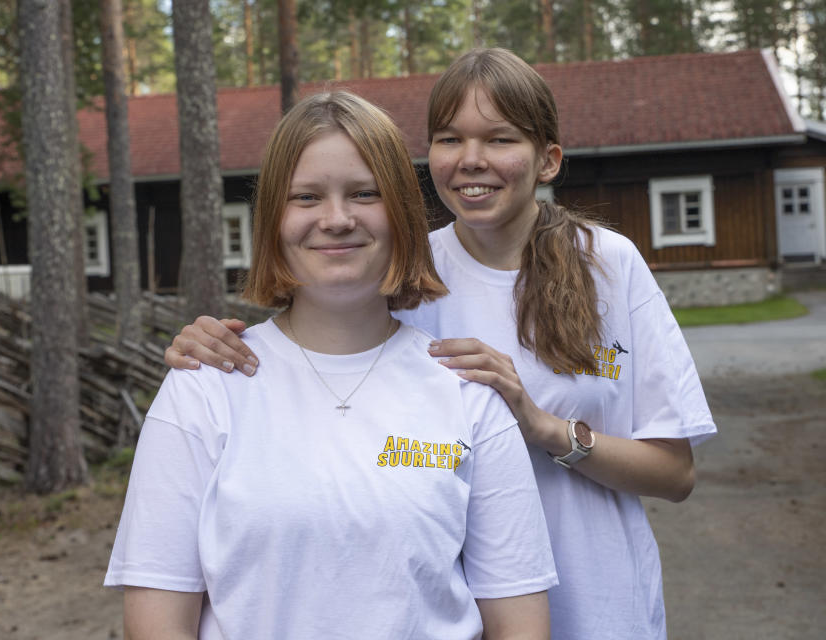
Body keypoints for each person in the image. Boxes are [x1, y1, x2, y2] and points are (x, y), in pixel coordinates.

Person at [164, 49, 717, 639]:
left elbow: (674, 473)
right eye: (451, 139)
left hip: (602, 604)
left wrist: (545, 427)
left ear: (548, 160)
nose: (472, 160)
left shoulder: (608, 264)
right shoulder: (406, 273)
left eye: (500, 139)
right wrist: (206, 345)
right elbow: (313, 354)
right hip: (465, 611)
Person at [106, 90, 557, 640]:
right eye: (307, 197)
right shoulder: (205, 389)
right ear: (273, 217)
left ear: (401, 214)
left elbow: (521, 624)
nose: (337, 219)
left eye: (364, 193)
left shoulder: (467, 393)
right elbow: (156, 620)